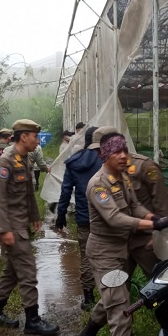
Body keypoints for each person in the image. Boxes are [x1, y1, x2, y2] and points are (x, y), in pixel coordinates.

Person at [74, 129, 168, 336]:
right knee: (121, 311)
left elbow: (135, 205)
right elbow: (115, 218)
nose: (123, 155)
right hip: (105, 253)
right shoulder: (98, 185)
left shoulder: (122, 177)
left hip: (120, 250)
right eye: (117, 151)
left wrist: (152, 216)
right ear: (105, 155)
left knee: (112, 299)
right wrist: (152, 226)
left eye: (125, 150)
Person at [0, 119, 59, 336]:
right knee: (27, 272)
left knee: (11, 272)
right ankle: (33, 320)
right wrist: (3, 230)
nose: (37, 140)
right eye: (35, 136)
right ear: (24, 136)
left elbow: (28, 192)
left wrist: (35, 216)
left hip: (21, 224)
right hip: (12, 228)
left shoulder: (23, 159)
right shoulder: (6, 161)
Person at [55, 126, 101, 310]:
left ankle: (89, 298)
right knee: (111, 255)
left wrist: (61, 215)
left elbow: (66, 191)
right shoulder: (107, 160)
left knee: (86, 256)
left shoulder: (75, 162)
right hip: (108, 218)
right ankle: (112, 294)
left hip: (85, 217)